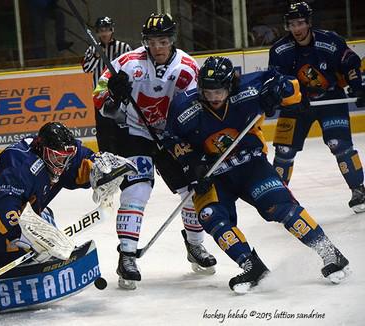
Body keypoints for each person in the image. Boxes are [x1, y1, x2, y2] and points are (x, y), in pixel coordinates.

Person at [166, 56, 350, 293]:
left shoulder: (249, 88)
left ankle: (330, 253)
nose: (213, 97)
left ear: (230, 85)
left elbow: (289, 85)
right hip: (214, 175)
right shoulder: (183, 106)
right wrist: (192, 165)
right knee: (211, 216)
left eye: (219, 91)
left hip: (251, 165)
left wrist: (279, 92)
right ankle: (252, 266)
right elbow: (171, 139)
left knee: (281, 207)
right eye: (207, 91)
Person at [93, 13, 217, 290]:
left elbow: (197, 109)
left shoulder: (187, 68)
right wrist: (114, 94)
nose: (158, 47)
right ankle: (126, 255)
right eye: (152, 41)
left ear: (172, 40)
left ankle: (195, 245)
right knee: (137, 190)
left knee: (192, 191)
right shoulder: (126, 63)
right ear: (144, 42)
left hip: (173, 136)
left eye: (163, 41)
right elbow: (101, 99)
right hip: (136, 134)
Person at [0, 122, 135, 267]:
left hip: (13, 210)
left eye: (66, 158)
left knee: (44, 216)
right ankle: (28, 259)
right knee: (36, 235)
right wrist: (27, 237)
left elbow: (79, 159)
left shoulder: (54, 153)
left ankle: (39, 250)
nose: (63, 164)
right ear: (41, 148)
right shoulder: (20, 167)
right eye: (59, 159)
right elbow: (0, 205)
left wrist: (98, 169)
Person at [268, 1, 365, 213]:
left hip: (329, 99)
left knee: (338, 143)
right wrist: (290, 95)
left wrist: (358, 86)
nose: (296, 29)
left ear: (309, 22)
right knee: (284, 151)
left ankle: (358, 189)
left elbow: (350, 63)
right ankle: (276, 197)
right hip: (295, 105)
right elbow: (275, 80)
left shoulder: (330, 41)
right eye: (292, 24)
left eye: (300, 23)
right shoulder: (279, 50)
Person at [82, 16, 132, 153]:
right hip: (100, 95)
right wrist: (97, 56)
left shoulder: (124, 47)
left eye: (107, 30)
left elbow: (131, 66)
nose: (104, 33)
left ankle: (124, 154)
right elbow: (86, 68)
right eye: (101, 30)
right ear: (97, 32)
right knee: (104, 131)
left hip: (120, 96)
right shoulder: (93, 49)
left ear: (112, 30)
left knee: (121, 128)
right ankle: (106, 157)